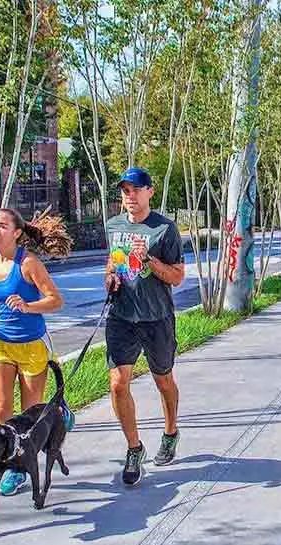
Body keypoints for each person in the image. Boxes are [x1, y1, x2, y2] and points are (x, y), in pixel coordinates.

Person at [0, 208, 67, 496]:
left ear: (17, 232)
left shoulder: (29, 264)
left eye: (2, 226)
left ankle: (25, 463)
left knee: (28, 416)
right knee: (1, 409)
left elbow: (56, 300)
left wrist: (28, 306)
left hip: (32, 346)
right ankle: (3, 463)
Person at [103, 167, 186, 487]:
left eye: (136, 189)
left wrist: (149, 260)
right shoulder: (113, 226)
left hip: (157, 318)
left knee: (163, 380)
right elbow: (111, 265)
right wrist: (109, 280)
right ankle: (134, 448)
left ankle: (170, 432)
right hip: (122, 317)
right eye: (125, 190)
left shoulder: (165, 230)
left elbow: (178, 277)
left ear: (149, 192)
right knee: (117, 383)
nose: (130, 196)